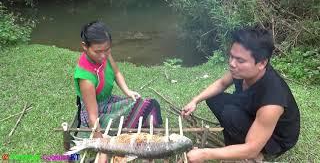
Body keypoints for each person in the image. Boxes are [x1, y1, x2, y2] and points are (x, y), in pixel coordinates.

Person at [181, 27, 300, 162]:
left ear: (261, 63)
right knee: (213, 98)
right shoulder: (242, 72)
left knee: (231, 114)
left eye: (240, 60)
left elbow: (251, 148)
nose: (232, 63)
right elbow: (221, 83)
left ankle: (260, 155)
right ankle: (238, 137)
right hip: (252, 112)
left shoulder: (272, 101)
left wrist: (204, 154)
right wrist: (195, 100)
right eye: (231, 56)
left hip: (275, 138)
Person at [74, 21, 163, 162]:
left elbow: (116, 73)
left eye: (107, 50)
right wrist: (100, 142)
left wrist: (127, 91)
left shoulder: (104, 53)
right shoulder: (85, 78)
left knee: (149, 104)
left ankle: (134, 131)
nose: (103, 55)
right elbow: (92, 114)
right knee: (130, 117)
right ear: (85, 47)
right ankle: (120, 135)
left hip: (109, 100)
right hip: (97, 110)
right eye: (98, 51)